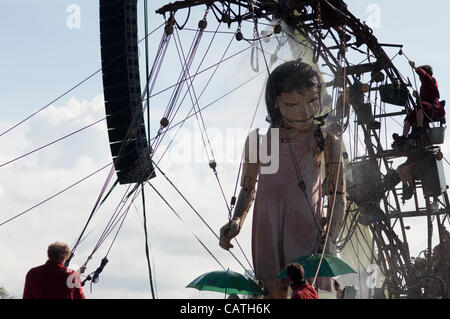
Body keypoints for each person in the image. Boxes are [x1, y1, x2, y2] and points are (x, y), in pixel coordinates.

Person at [219, 61, 346, 298]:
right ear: (275, 103)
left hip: (306, 225)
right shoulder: (257, 142)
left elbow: (338, 194)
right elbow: (248, 189)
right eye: (291, 104)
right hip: (268, 225)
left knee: (305, 287)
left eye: (311, 101)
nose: (304, 111)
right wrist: (237, 220)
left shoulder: (326, 141)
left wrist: (331, 238)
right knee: (272, 289)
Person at [401, 62, 445, 139]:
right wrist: (417, 97)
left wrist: (415, 68)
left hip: (434, 108)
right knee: (409, 117)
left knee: (421, 107)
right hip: (426, 108)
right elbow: (421, 102)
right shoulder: (423, 86)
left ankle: (419, 128)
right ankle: (404, 137)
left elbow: (424, 75)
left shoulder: (431, 80)